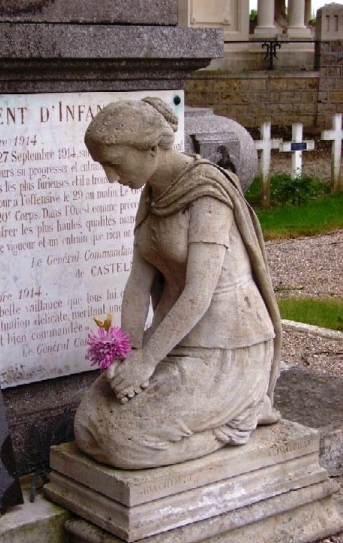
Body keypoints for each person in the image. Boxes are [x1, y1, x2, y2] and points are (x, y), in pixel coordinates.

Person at [74, 97, 282, 469]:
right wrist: (127, 353)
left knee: (124, 443)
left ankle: (238, 420)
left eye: (114, 164)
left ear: (152, 149)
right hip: (174, 338)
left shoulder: (206, 196)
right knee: (89, 425)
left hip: (226, 346)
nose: (110, 177)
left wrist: (147, 361)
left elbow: (200, 293)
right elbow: (137, 285)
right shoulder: (152, 195)